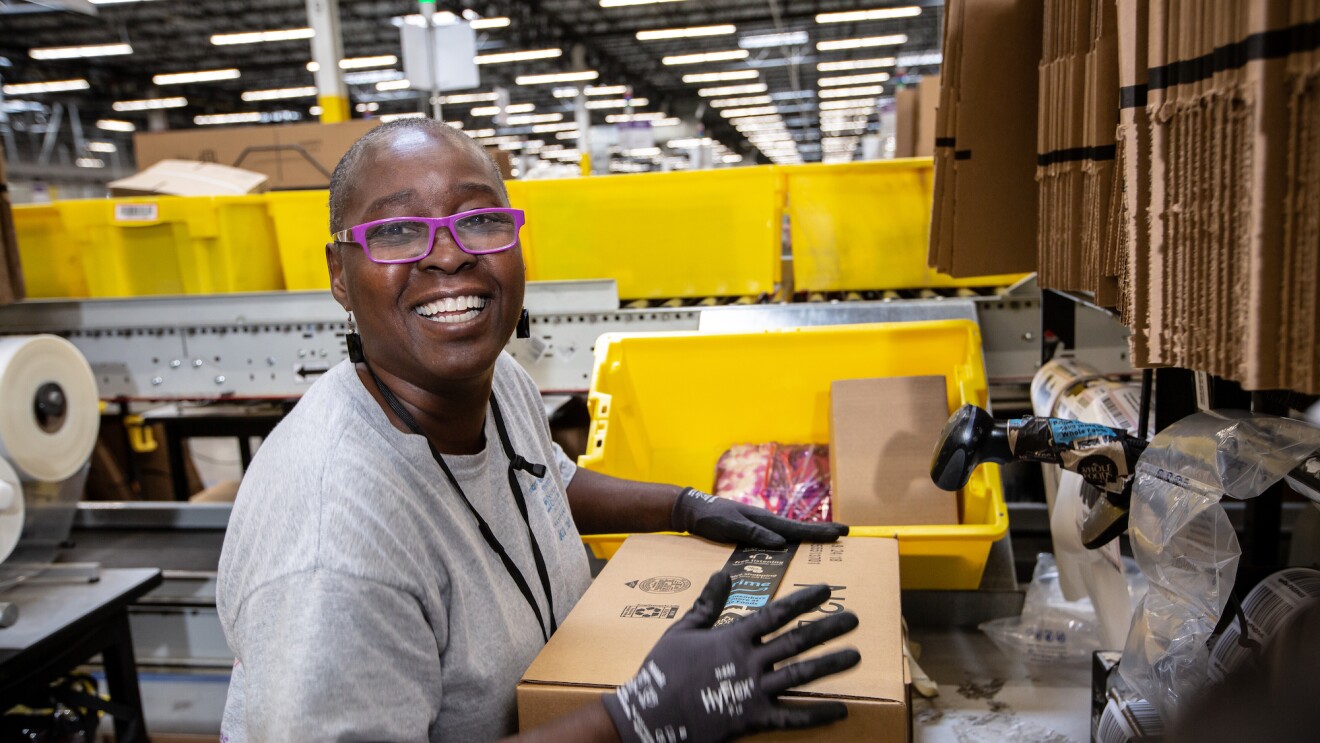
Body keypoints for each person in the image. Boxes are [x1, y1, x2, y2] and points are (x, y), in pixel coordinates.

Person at [217, 119, 860, 742]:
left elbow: (543, 479)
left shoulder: (495, 386)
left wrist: (685, 506)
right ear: (339, 273)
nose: (447, 254)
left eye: (480, 221)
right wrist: (636, 720)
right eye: (397, 231)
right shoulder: (334, 553)